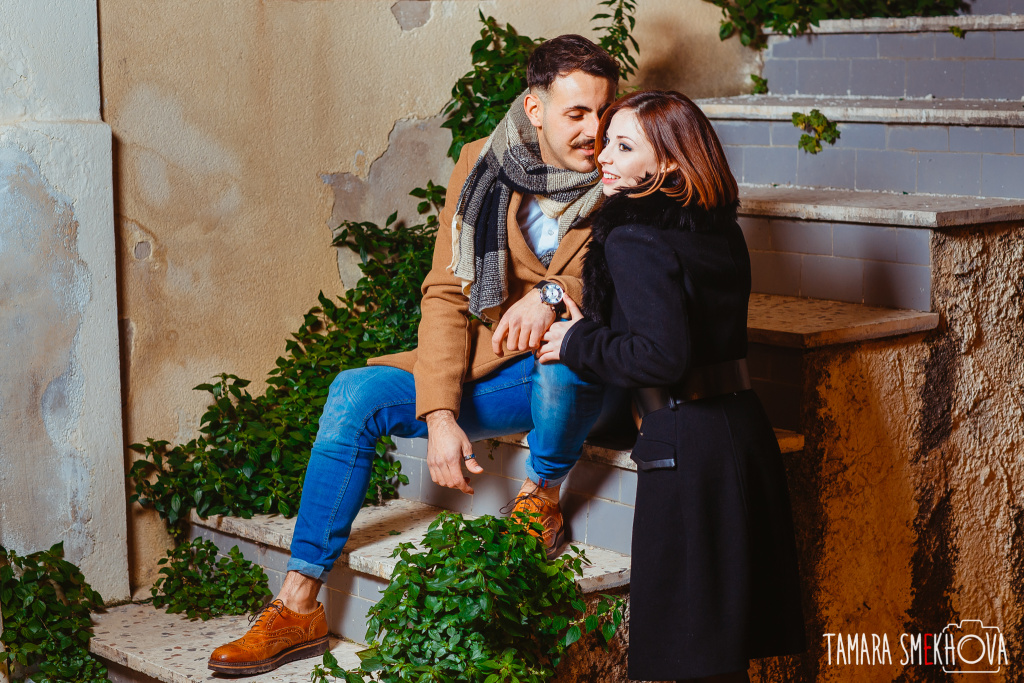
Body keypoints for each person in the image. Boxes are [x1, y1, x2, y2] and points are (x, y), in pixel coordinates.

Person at [207, 35, 619, 675]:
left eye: (603, 110)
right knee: (353, 393)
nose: (595, 130)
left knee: (564, 352)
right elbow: (448, 291)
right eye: (577, 113)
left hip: (583, 362)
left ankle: (540, 493)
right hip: (498, 361)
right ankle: (298, 603)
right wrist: (441, 415)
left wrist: (550, 296)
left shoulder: (626, 163)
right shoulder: (484, 162)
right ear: (534, 109)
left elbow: (626, 281)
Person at [538, 90, 806, 682]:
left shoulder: (633, 236)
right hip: (740, 433)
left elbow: (660, 355)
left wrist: (577, 342)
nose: (603, 156)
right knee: (719, 644)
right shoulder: (718, 229)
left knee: (693, 650)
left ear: (666, 163)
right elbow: (681, 332)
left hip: (688, 447)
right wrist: (597, 330)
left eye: (623, 146)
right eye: (607, 142)